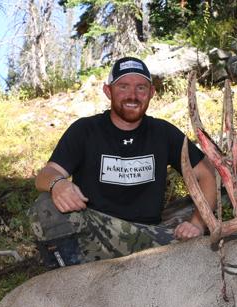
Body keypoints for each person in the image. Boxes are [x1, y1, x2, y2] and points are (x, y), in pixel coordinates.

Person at [31, 56, 217, 267]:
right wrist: (58, 184)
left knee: (202, 252)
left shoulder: (163, 133)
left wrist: (198, 223)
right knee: (46, 205)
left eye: (141, 88)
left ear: (151, 93)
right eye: (123, 86)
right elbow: (46, 175)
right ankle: (69, 274)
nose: (132, 95)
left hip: (148, 235)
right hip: (94, 231)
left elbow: (207, 175)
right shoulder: (85, 130)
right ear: (108, 91)